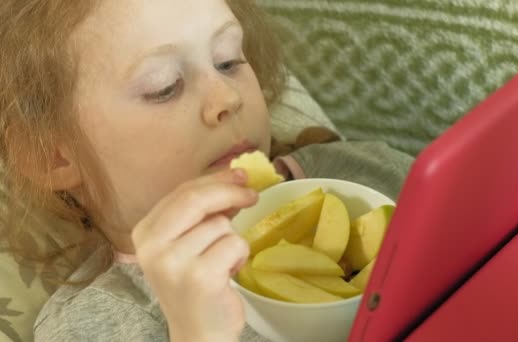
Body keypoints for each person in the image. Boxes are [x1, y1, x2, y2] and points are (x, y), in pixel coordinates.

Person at [0, 0, 411, 341]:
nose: (227, 97)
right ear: (54, 158)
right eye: (164, 87)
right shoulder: (94, 326)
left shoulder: (361, 168)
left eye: (229, 61)